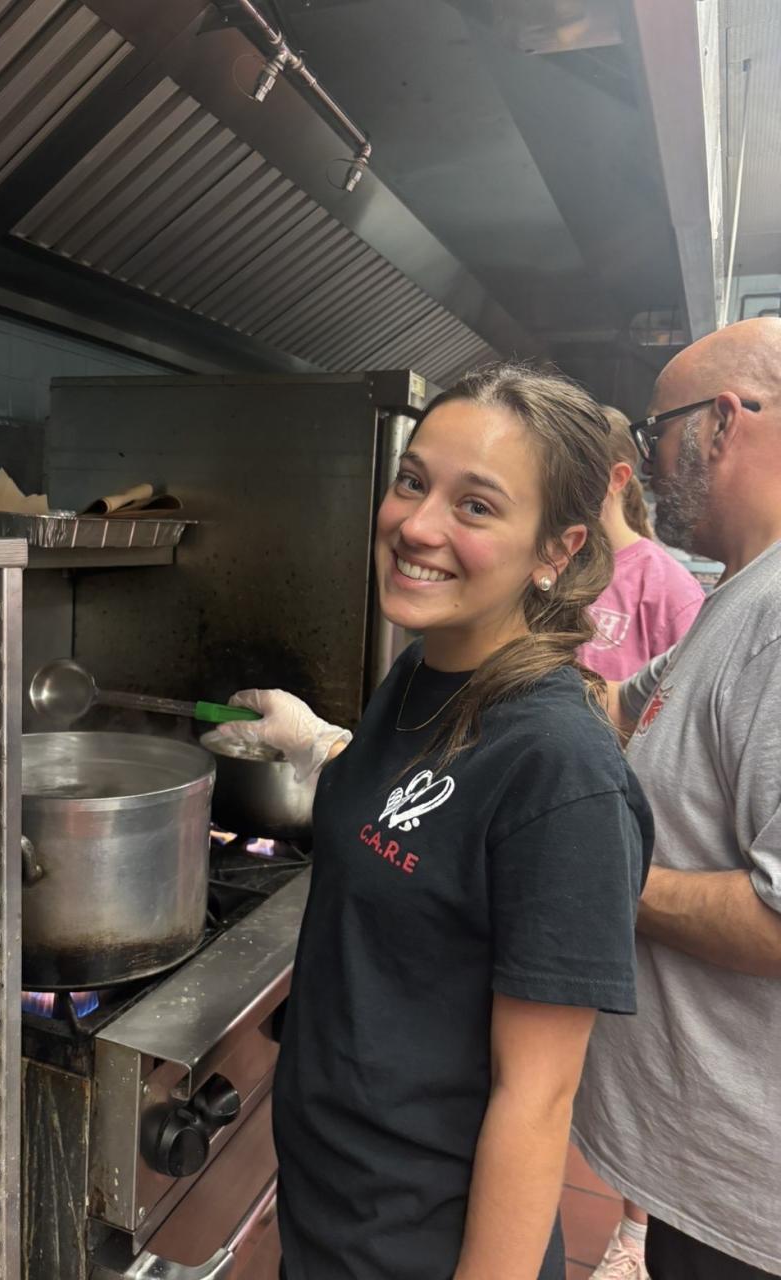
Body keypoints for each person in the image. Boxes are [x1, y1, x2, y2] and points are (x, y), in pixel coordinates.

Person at [216, 364, 653, 1280]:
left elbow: (537, 1098)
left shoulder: (559, 769)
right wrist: (321, 747)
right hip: (332, 1215)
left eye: (476, 506)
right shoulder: (422, 673)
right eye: (413, 481)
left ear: (557, 549)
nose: (417, 525)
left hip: (419, 1247)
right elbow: (414, 827)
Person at [573, 316, 781, 1280]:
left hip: (751, 1214)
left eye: (659, 431)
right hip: (706, 1183)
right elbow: (613, 706)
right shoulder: (740, 597)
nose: (652, 461)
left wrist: (593, 874)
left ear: (724, 423)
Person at [578, 407, 703, 1280]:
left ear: (616, 478)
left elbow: (674, 714)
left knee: (633, 1034)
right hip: (560, 819)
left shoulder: (662, 580)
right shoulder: (562, 566)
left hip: (627, 833)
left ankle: (635, 1230)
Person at [576, 406, 704, 682]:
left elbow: (685, 691)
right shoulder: (549, 565)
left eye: (569, 473)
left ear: (616, 478)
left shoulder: (669, 588)